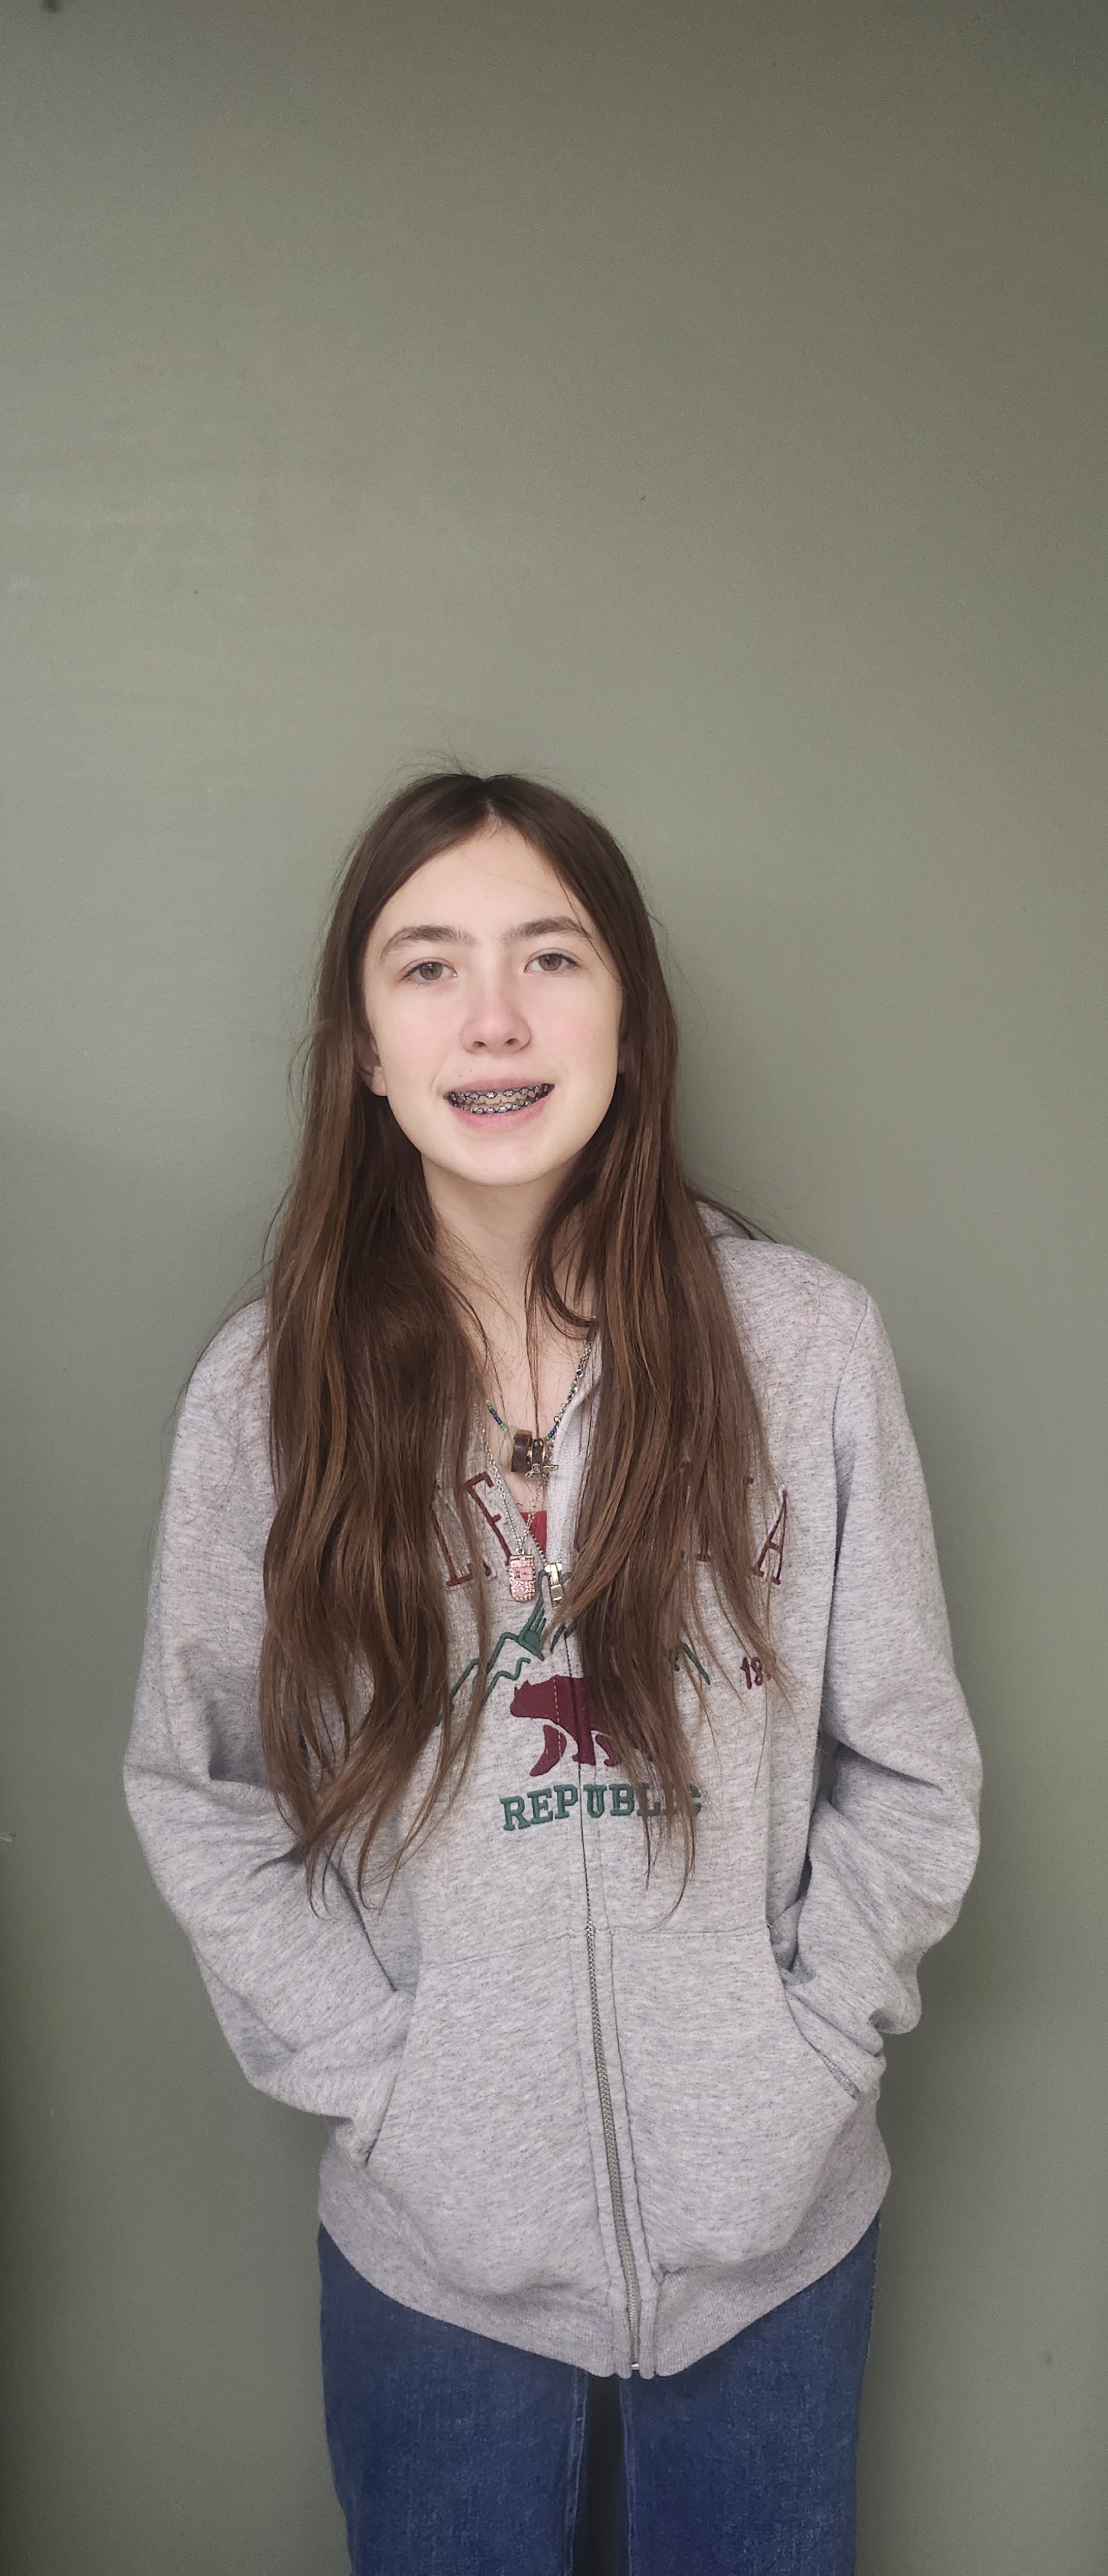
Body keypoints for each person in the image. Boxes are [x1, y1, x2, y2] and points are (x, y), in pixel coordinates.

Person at [124, 769, 981, 2576]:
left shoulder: (809, 1351)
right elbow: (199, 1790)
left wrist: (803, 2061)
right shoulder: (269, 1396)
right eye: (428, 965)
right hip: (435, 2267)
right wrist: (395, 2088)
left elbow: (909, 1771)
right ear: (364, 1048)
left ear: (629, 1018)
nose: (494, 1019)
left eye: (552, 956)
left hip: (778, 2252)